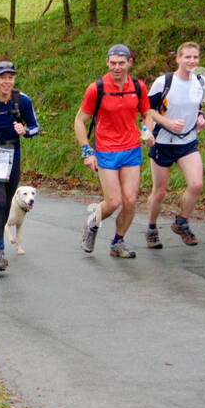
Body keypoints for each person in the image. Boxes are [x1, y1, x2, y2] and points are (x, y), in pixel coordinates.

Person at [73, 43, 152, 258]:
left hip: (131, 149)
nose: (117, 67)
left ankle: (118, 241)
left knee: (130, 200)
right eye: (113, 63)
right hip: (106, 150)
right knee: (113, 201)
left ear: (129, 63)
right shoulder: (96, 88)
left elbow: (147, 113)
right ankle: (93, 222)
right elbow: (79, 121)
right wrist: (87, 152)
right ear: (107, 63)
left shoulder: (138, 86)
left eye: (121, 63)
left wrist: (147, 131)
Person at [0, 59, 40, 271]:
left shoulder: (22, 101)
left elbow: (35, 127)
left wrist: (25, 131)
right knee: (1, 202)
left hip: (13, 156)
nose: (6, 81)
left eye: (10, 77)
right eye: (2, 77)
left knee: (8, 199)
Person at [144, 41, 205, 248]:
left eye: (195, 57)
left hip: (187, 141)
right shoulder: (164, 82)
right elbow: (148, 110)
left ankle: (181, 222)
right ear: (178, 59)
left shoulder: (200, 81)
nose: (192, 61)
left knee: (196, 184)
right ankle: (152, 228)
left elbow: (197, 107)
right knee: (160, 191)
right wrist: (168, 122)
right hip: (163, 141)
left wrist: (201, 118)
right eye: (187, 57)